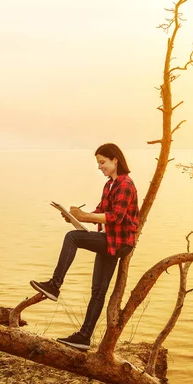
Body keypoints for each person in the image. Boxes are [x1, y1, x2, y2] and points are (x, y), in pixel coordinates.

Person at [30, 143, 139, 350]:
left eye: (102, 162)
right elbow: (101, 211)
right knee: (98, 291)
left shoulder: (125, 184)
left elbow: (115, 217)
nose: (100, 167)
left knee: (72, 238)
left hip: (121, 242)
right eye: (98, 163)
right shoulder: (109, 185)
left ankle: (54, 285)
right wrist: (74, 217)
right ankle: (84, 337)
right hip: (110, 240)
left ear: (115, 160)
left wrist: (85, 216)